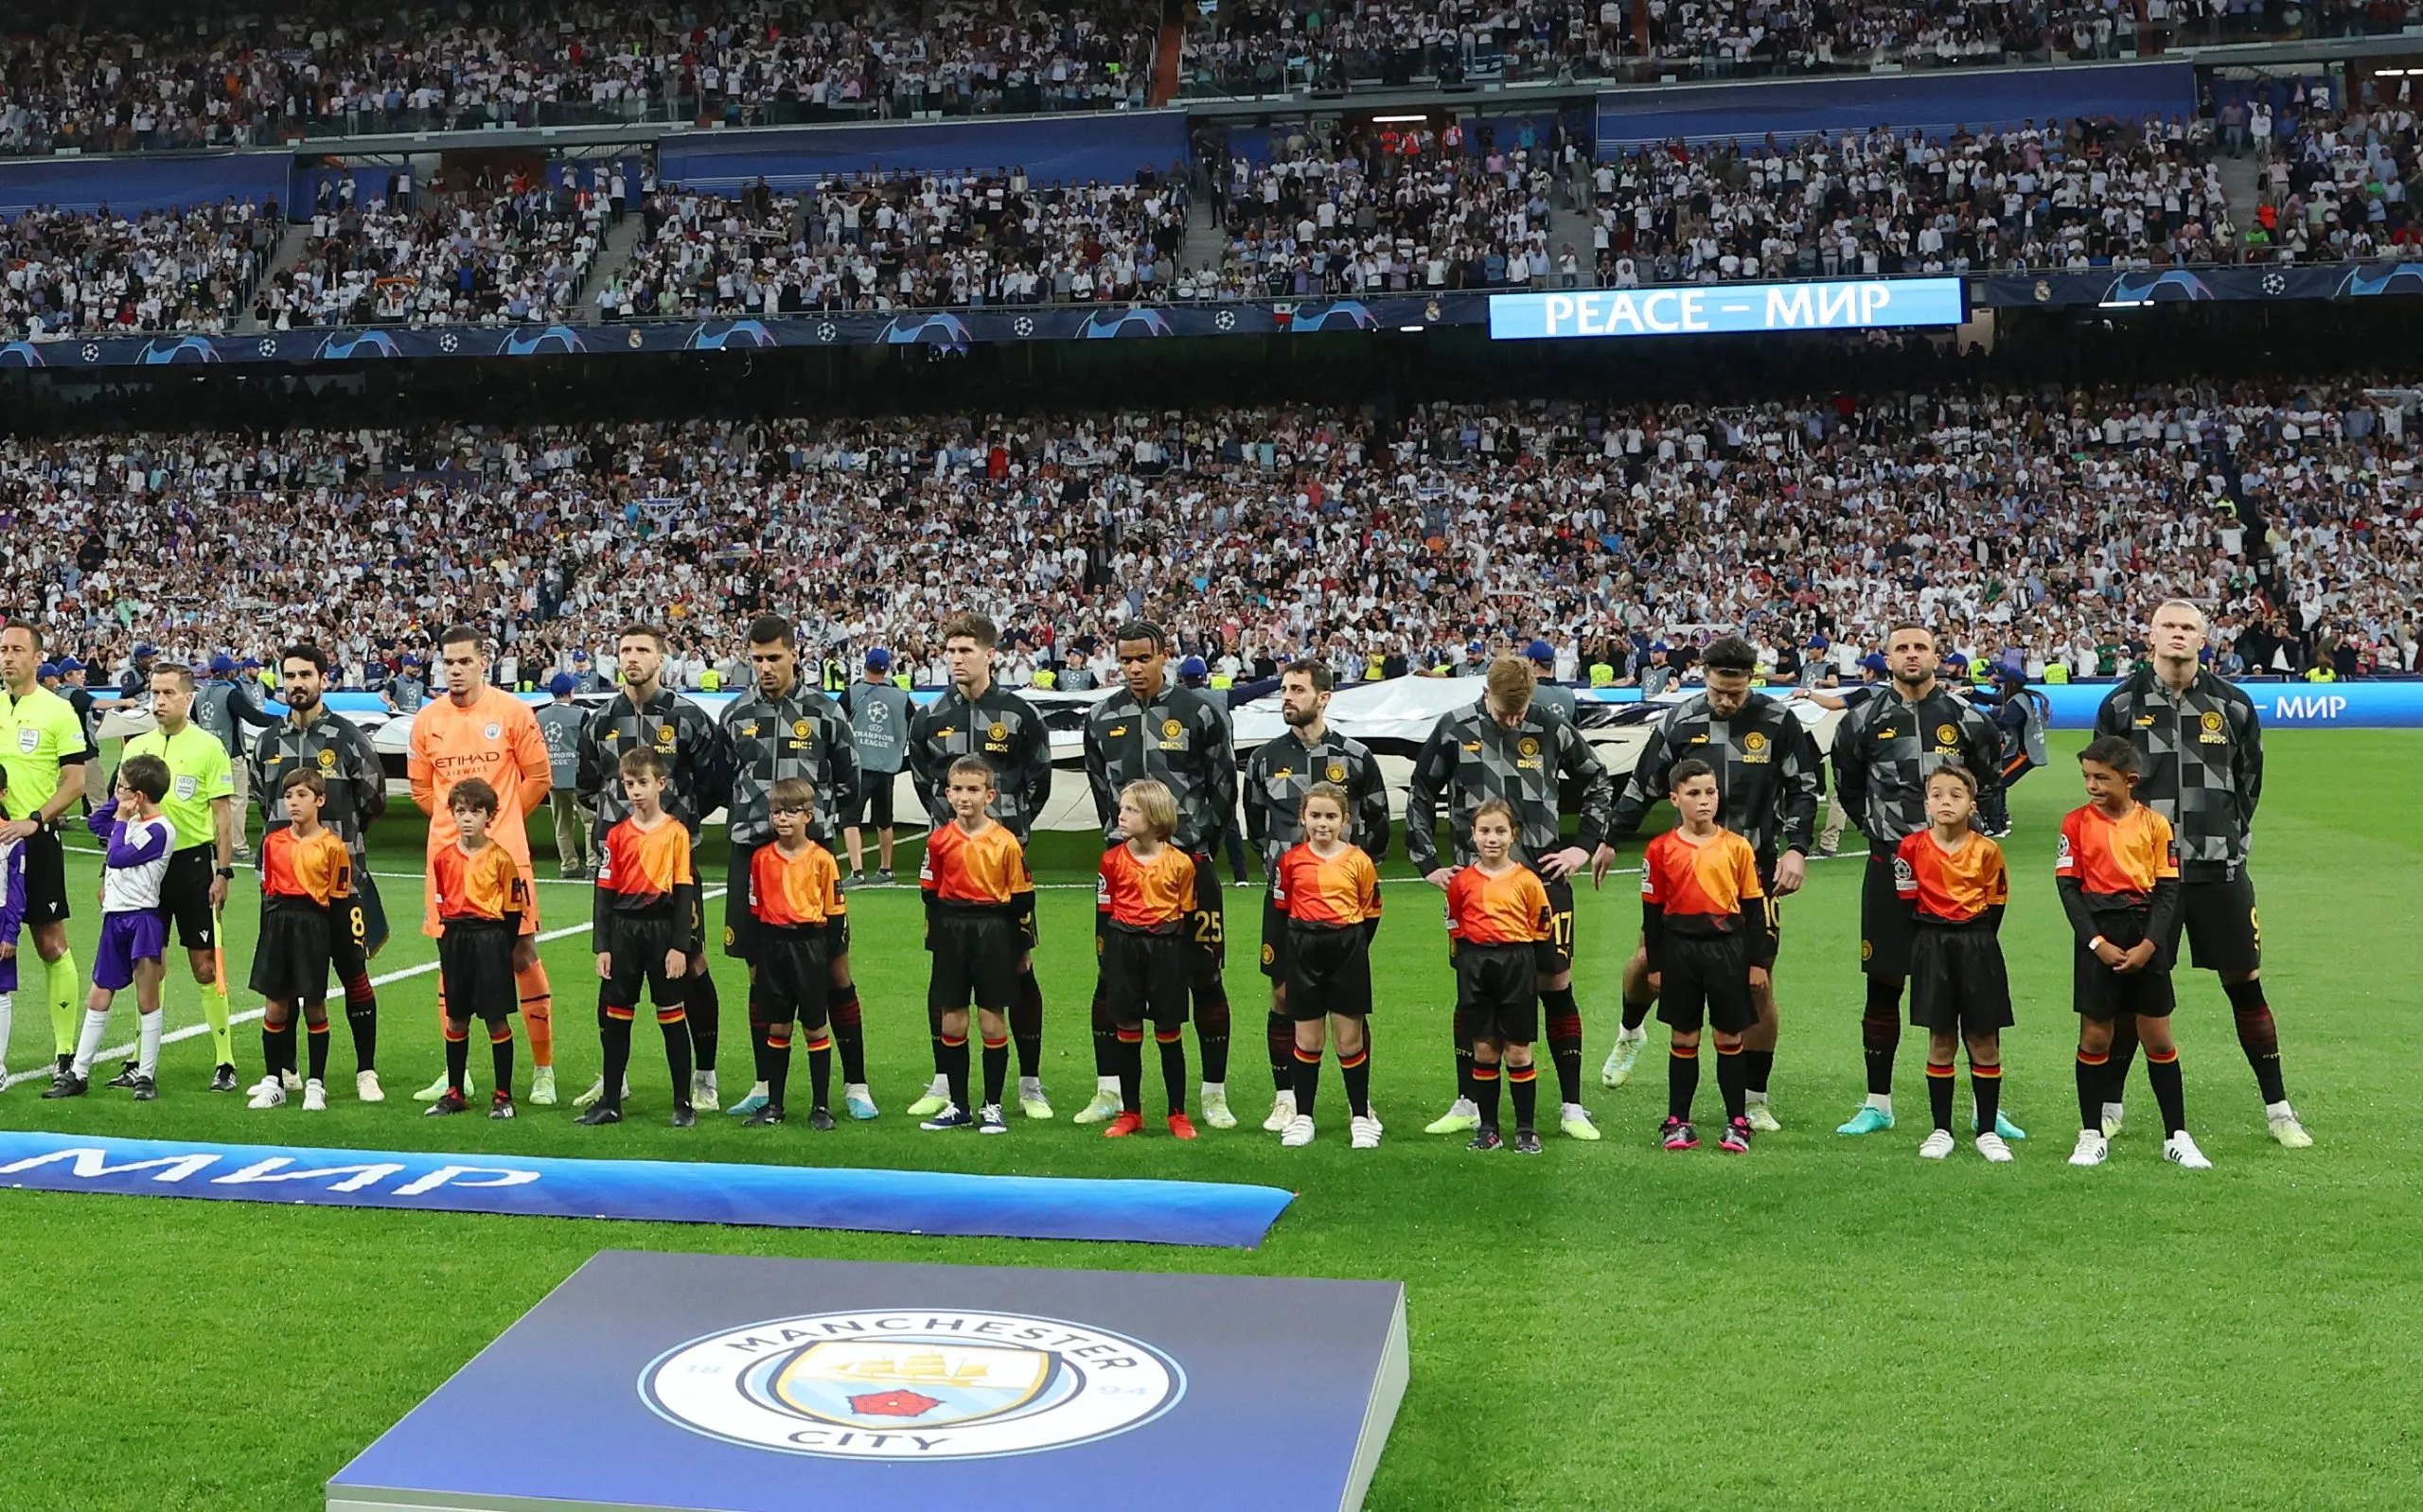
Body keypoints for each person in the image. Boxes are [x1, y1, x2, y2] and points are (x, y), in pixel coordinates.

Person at [2093, 600, 2308, 1147]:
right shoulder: (2121, 704)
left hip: (2218, 869)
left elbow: (2249, 782)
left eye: (2188, 628)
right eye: (2169, 626)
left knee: (2244, 984)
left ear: (2203, 639)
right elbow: (2103, 787)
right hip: (2143, 876)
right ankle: (2109, 1108)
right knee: (2131, 991)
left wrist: (2225, 836)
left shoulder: (2232, 705)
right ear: (2152, 635)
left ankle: (2279, 1110)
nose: (2178, 635)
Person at [1603, 635, 1822, 1132]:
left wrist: (1797, 848)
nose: (1728, 701)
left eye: (1737, 692)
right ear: (1704, 676)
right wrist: (1611, 839)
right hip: (1684, 871)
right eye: (1720, 690)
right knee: (1644, 960)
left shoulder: (1777, 721)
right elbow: (1641, 784)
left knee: (1759, 985)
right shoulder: (1681, 720)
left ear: (1752, 680)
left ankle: (1756, 1096)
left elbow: (1806, 788)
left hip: (1753, 873)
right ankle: (1630, 1032)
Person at [1406, 656, 1617, 1142]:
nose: (1514, 720)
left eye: (1521, 710)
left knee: (1556, 982)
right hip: (1474, 887)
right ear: (1487, 692)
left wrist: (1583, 846)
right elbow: (1420, 791)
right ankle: (1467, 1101)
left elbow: (1598, 781)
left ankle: (1571, 1105)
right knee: (1472, 987)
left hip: (1542, 877)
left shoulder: (1550, 724)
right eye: (1505, 712)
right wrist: (1428, 861)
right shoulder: (1455, 726)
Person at [1830, 624, 2006, 1138]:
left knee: (1971, 990)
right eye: (1901, 648)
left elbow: (1989, 779)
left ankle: (1984, 1110)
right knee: (1884, 983)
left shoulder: (1968, 718)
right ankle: (1878, 1102)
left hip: (1958, 875)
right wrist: (1884, 834)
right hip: (1892, 867)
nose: (1911, 655)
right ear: (1887, 658)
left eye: (1920, 647)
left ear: (1936, 656)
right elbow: (1849, 784)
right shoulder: (1863, 718)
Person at [1079, 621, 1238, 1129]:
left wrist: (1197, 846)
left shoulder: (1198, 712)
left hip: (1190, 869)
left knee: (1206, 977)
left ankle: (1213, 1094)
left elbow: (1222, 786)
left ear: (1163, 655)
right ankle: (1110, 1092)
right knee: (1111, 980)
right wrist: (1122, 841)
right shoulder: (1103, 716)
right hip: (1125, 875)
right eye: (1125, 660)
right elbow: (1102, 790)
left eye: (1143, 658)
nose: (1134, 669)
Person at [905, 611, 1055, 1121]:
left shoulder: (1018, 714)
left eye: (966, 650)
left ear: (990, 654)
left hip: (1003, 864)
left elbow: (1039, 778)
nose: (956, 658)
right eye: (949, 650)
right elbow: (926, 777)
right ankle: (946, 1083)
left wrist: (1011, 828)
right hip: (950, 867)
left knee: (1020, 969)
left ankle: (1029, 1083)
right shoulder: (928, 718)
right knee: (945, 974)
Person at [573, 624, 728, 1115]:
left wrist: (677, 825)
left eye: (642, 650)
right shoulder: (600, 720)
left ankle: (704, 1075)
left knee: (693, 963)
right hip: (617, 868)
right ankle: (613, 1081)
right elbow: (584, 785)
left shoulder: (687, 717)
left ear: (661, 658)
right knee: (614, 973)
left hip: (672, 867)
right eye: (625, 650)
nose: (632, 657)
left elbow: (716, 782)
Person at [718, 615, 869, 1120]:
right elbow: (723, 780)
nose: (765, 667)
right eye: (757, 659)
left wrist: (817, 825)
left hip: (811, 860)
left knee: (835, 968)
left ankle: (856, 1085)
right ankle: (766, 1085)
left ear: (793, 654)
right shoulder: (736, 713)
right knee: (762, 975)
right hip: (752, 857)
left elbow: (851, 780)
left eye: (774, 658)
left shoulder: (825, 712)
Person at [407, 626, 557, 1105]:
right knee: (449, 955)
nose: (454, 671)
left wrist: (499, 823)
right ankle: (458, 1076)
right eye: (447, 663)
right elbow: (422, 790)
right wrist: (457, 830)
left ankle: (543, 1070)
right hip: (447, 861)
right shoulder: (427, 720)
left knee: (521, 952)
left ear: (482, 662)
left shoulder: (513, 712)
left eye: (463, 662)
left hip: (506, 857)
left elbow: (538, 776)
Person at [1246, 658, 1388, 1134]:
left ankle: (1358, 1104)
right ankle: (1287, 1099)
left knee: (1348, 1003)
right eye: (1284, 689)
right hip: (1286, 900)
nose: (1287, 697)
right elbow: (1256, 824)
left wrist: (1345, 878)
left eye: (1297, 690)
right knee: (1284, 993)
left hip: (1342, 909)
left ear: (1323, 697)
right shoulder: (1264, 757)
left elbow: (1378, 826)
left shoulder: (1355, 757)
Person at [2059, 738, 2211, 1170]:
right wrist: (2096, 943)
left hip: (2145, 931)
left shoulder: (2156, 825)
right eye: (2087, 776)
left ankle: (2177, 1136)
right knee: (2095, 1036)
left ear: (2130, 780)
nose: (2091, 784)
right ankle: (2091, 1133)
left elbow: (2168, 890)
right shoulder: (2074, 824)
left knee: (2159, 1038)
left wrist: (2150, 944)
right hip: (2099, 933)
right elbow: (2068, 890)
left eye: (2101, 777)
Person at [250, 643, 390, 1103]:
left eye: (305, 675)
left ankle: (366, 1072)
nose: (296, 684)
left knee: (353, 975)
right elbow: (260, 798)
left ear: (323, 679)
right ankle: (287, 1070)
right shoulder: (267, 742)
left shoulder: (348, 737)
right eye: (288, 676)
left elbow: (374, 799)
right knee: (284, 981)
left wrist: (341, 839)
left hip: (340, 885)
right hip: (283, 885)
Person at [115, 665, 241, 1093]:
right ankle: (139, 1059)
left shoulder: (209, 747)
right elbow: (122, 812)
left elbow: (222, 817)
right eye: (155, 692)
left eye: (169, 692)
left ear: (188, 698)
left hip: (190, 866)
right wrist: (108, 872)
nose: (160, 700)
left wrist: (222, 871)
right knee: (147, 966)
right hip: (144, 868)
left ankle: (225, 1061)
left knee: (205, 967)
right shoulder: (138, 747)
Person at [1639, 760, 1771, 1153]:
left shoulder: (1737, 847)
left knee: (1729, 1035)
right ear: (1675, 799)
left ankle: (1737, 1122)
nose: (1704, 801)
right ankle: (1678, 1121)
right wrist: (1657, 965)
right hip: (1680, 950)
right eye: (1694, 793)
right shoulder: (1660, 849)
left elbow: (1752, 910)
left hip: (1727, 950)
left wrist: (1756, 961)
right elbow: (1652, 913)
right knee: (1684, 1035)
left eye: (1710, 792)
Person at [1896, 765, 2015, 1162]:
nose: (1945, 802)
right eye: (1937, 794)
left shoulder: (1987, 850)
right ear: (1926, 802)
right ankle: (1941, 1129)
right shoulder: (1911, 848)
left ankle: (1986, 1131)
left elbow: (1996, 905)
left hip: (1977, 944)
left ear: (1971, 804)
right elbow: (1906, 902)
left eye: (1955, 795)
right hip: (1932, 944)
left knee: (1983, 1039)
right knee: (1941, 1037)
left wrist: (1973, 939)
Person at [579, 747, 701, 1129]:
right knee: (617, 1018)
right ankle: (611, 1100)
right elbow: (604, 893)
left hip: (662, 931)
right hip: (623, 933)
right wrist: (603, 945)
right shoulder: (616, 835)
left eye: (642, 783)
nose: (635, 791)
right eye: (629, 784)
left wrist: (680, 944)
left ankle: (683, 1102)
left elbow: (684, 893)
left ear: (660, 784)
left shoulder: (676, 833)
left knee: (671, 1017)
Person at [916, 757, 1037, 1134]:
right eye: (958, 789)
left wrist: (1020, 946)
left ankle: (992, 1105)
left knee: (990, 1014)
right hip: (952, 929)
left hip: (993, 929)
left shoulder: (1005, 842)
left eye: (974, 790)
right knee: (952, 1013)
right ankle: (959, 1105)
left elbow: (1022, 900)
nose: (965, 797)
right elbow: (929, 893)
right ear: (948, 793)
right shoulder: (938, 840)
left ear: (990, 795)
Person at [44, 755, 174, 1100]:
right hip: (114, 919)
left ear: (141, 795)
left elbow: (116, 856)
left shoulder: (160, 829)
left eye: (123, 787)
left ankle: (145, 1075)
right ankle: (79, 1073)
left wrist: (121, 816)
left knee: (147, 999)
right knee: (99, 995)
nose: (117, 793)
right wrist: (119, 805)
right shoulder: (127, 819)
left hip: (143, 919)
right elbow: (95, 823)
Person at [0, 620, 93, 1081]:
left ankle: (63, 1052)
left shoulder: (58, 712)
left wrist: (33, 821)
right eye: (3, 649)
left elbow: (75, 783)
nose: (8, 656)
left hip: (34, 842)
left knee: (49, 943)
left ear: (38, 658)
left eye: (17, 649)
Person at [1273, 782, 1384, 1150]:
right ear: (1303, 818)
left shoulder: (1358, 862)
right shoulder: (1290, 862)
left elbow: (1370, 913)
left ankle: (1360, 1117)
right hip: (1303, 949)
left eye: (1331, 816)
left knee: (1349, 1039)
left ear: (1345, 820)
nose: (1323, 823)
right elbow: (1282, 909)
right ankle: (1304, 1116)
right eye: (1315, 815)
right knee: (1307, 1038)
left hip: (1348, 948)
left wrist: (1350, 945)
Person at [1445, 799, 1555, 1154]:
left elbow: (1541, 928)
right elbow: (1455, 925)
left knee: (1519, 1051)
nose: (1492, 838)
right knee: (1484, 1048)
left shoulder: (1527, 880)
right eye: (1485, 831)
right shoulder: (1461, 883)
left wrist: (1522, 965)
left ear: (1513, 835)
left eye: (1500, 831)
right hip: (1475, 965)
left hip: (1517, 962)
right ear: (1473, 836)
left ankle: (1525, 1129)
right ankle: (1488, 1128)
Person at [1094, 779, 1198, 1139]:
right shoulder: (1111, 861)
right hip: (1124, 947)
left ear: (1154, 816)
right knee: (1127, 1031)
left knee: (1169, 1031)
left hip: (1166, 950)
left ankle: (1177, 1114)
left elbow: (1186, 915)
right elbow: (1104, 912)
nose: (1121, 815)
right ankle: (1131, 1112)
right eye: (1122, 808)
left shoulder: (1181, 864)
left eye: (1130, 810)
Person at [244, 770, 351, 1112]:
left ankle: (316, 1084)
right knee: (276, 1004)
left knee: (315, 1004)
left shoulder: (333, 847)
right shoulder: (273, 842)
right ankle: (274, 1080)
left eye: (302, 795)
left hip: (314, 926)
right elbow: (268, 890)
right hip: (279, 924)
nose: (293, 802)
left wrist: (336, 944)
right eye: (289, 796)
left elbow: (339, 900)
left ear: (319, 801)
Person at [741, 778, 844, 1131]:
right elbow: (754, 912)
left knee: (815, 1027)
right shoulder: (760, 859)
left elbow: (835, 915)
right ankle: (774, 1104)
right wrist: (757, 958)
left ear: (808, 815)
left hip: (809, 946)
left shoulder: (822, 860)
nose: (782, 819)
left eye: (791, 812)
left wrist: (828, 959)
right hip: (773, 947)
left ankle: (820, 1106)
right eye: (776, 812)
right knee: (778, 1025)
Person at [423, 779, 529, 1120]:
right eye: (460, 811)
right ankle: (454, 1092)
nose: (467, 818)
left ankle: (503, 1096)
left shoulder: (501, 859)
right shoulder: (443, 859)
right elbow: (441, 903)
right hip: (456, 939)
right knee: (456, 1017)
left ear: (489, 816)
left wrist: (502, 948)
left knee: (495, 1018)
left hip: (490, 939)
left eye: (475, 811)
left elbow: (514, 910)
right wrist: (447, 944)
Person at [841, 647, 916, 888]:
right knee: (884, 820)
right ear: (886, 669)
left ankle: (857, 871)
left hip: (860, 765)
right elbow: (913, 724)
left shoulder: (851, 693)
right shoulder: (901, 697)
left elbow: (837, 723)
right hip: (887, 767)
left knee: (850, 820)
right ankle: (886, 869)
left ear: (865, 666)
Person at [190, 653, 277, 861]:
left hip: (206, 753)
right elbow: (255, 718)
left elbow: (194, 716)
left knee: (212, 800)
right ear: (228, 672)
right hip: (230, 753)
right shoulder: (231, 693)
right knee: (237, 799)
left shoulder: (201, 694)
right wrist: (282, 720)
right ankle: (237, 845)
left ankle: (213, 840)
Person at [536, 674, 594, 879]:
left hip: (553, 776)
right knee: (590, 821)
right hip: (577, 777)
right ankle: (593, 865)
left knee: (562, 823)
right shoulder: (581, 714)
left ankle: (568, 865)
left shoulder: (539, 716)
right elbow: (589, 747)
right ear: (571, 692)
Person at [0, 771, 20, 1083]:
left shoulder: (11, 837)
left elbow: (18, 887)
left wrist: (11, 931)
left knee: (0, 992)